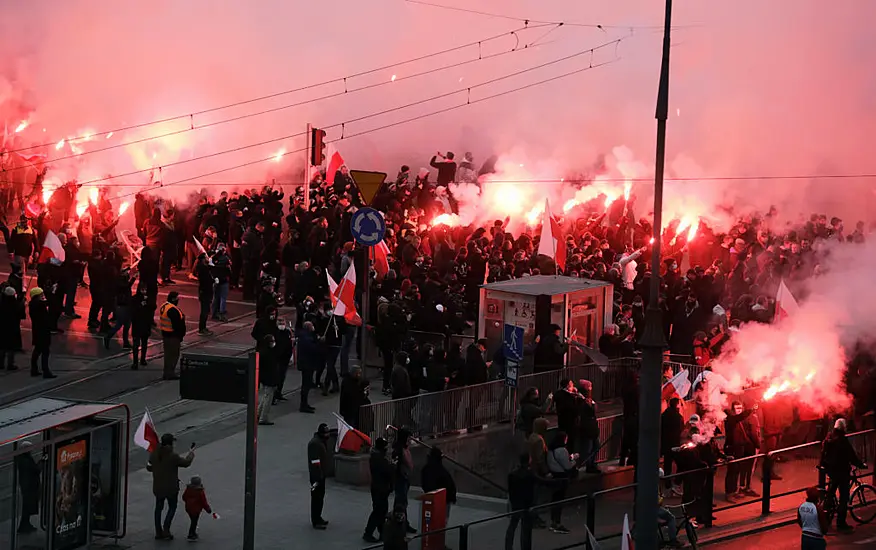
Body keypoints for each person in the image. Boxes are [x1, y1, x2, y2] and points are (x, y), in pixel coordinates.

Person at [820, 418, 866, 532]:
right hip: (841, 471)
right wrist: (860, 464)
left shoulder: (829, 437)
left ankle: (825, 517)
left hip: (830, 470)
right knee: (844, 497)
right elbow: (851, 456)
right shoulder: (842, 440)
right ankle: (841, 523)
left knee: (830, 493)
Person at [146, 434, 195, 540]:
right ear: (170, 443)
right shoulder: (172, 456)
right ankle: (166, 530)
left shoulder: (154, 453)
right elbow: (186, 463)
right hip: (171, 488)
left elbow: (149, 468)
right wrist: (191, 453)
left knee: (158, 508)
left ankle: (158, 532)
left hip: (158, 487)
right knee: (172, 507)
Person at [546, 431, 577, 534]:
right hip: (562, 477)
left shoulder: (551, 450)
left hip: (554, 476)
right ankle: (557, 523)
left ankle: (553, 521)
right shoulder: (562, 450)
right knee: (559, 500)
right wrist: (574, 461)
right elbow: (567, 466)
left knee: (554, 500)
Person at [364, 437, 394, 544]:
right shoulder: (379, 459)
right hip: (380, 488)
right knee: (378, 511)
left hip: (380, 487)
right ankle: (368, 532)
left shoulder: (377, 457)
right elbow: (386, 471)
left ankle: (382, 532)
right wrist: (392, 465)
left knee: (382, 511)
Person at [420, 447, 457, 522]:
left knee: (431, 519)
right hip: (444, 498)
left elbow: (425, 484)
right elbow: (450, 485)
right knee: (442, 520)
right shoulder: (442, 470)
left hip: (433, 497)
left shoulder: (426, 469)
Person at [14, 441, 43, 534]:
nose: (31, 450)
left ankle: (26, 524)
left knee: (27, 507)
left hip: (27, 486)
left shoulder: (23, 458)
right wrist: (41, 462)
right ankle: (23, 526)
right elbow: (35, 469)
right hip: (29, 487)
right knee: (27, 507)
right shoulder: (25, 460)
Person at [392, 428, 417, 534]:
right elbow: (395, 466)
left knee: (402, 502)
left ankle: (404, 523)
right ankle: (399, 524)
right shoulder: (398, 450)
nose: (410, 440)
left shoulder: (405, 448)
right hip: (401, 479)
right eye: (408, 437)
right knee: (400, 502)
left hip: (405, 478)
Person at [28, 287, 56, 378]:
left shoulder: (33, 304)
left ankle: (34, 369)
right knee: (45, 351)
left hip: (37, 330)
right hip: (43, 331)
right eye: (41, 294)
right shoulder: (39, 304)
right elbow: (49, 302)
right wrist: (51, 292)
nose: (42, 296)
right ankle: (46, 371)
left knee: (37, 350)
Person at [307, 423, 331, 530]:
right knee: (316, 498)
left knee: (320, 498)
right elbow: (315, 462)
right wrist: (318, 477)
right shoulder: (315, 444)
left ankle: (318, 517)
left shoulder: (321, 441)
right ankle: (315, 520)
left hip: (321, 475)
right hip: (317, 477)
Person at [159, 291, 186, 380]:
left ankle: (166, 372)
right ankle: (170, 373)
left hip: (165, 334)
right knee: (174, 354)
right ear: (173, 299)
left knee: (167, 355)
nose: (178, 300)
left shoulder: (164, 306)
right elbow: (177, 325)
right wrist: (181, 336)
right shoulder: (173, 310)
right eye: (177, 298)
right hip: (173, 336)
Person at [661, 397, 685, 492]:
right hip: (675, 445)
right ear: (677, 405)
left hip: (666, 445)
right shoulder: (678, 417)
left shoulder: (664, 415)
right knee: (682, 464)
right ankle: (676, 483)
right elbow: (681, 430)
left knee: (667, 465)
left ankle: (668, 485)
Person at [657, 468, 685, 548]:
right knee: (671, 518)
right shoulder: (654, 485)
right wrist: (663, 498)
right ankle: (672, 539)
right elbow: (657, 501)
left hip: (649, 508)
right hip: (653, 509)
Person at [295, 321, 320, 413]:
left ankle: (305, 404)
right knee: (306, 385)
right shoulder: (306, 338)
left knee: (306, 385)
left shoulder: (305, 336)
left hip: (306, 364)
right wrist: (318, 342)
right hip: (307, 364)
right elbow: (313, 349)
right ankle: (303, 405)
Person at [577, 379, 600, 473]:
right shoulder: (582, 401)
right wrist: (592, 405)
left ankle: (592, 463)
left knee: (596, 446)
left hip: (592, 427)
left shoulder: (588, 400)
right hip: (587, 427)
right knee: (589, 448)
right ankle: (589, 465)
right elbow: (591, 410)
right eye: (589, 387)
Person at [182, 476, 214, 542]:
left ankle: (193, 533)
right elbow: (203, 502)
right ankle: (191, 534)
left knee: (193, 521)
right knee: (194, 522)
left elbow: (184, 497)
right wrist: (208, 509)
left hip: (188, 508)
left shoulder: (188, 489)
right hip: (196, 510)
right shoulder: (200, 492)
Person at [0, 286, 24, 370]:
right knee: (11, 347)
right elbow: (20, 314)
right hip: (12, 327)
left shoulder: (2, 302)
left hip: (2, 327)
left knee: (2, 346)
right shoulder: (14, 304)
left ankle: (1, 363)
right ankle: (10, 364)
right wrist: (21, 302)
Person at [130, 286, 155, 370]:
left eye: (145, 290)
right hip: (137, 324)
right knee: (136, 344)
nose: (144, 291)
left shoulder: (149, 298)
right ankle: (135, 362)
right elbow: (133, 310)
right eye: (142, 290)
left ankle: (143, 359)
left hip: (145, 323)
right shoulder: (134, 299)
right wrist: (141, 304)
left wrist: (147, 301)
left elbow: (153, 307)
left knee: (144, 343)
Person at [257, 334, 278, 425]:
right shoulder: (269, 353)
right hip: (269, 378)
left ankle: (258, 414)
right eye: (272, 341)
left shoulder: (262, 352)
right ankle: (263, 417)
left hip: (264, 378)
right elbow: (272, 367)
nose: (274, 343)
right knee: (268, 398)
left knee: (265, 396)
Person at [196, 253, 215, 335]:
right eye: (206, 257)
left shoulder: (204, 267)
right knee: (204, 311)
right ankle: (202, 328)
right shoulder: (203, 269)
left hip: (205, 291)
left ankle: (203, 327)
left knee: (206, 310)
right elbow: (206, 280)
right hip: (205, 292)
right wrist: (213, 280)